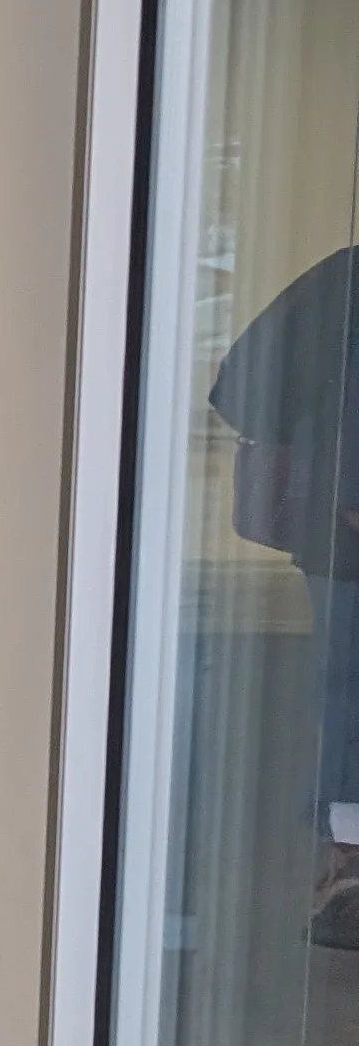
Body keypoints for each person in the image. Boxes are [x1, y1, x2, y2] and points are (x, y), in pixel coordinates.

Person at [211, 239, 359, 948]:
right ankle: (346, 868)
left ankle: (345, 864)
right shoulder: (348, 281)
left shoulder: (345, 276)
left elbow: (241, 385)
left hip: (344, 528)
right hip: (349, 530)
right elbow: (246, 383)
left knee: (347, 691)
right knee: (349, 692)